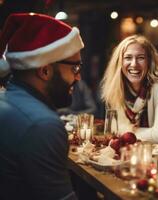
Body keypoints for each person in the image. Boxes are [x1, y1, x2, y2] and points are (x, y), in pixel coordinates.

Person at [0, 13, 84, 199]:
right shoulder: (43, 125)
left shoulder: (5, 100)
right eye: (75, 68)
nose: (78, 77)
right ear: (45, 70)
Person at [100, 35, 158, 147]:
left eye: (141, 58)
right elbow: (112, 130)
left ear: (149, 62)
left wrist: (126, 130)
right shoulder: (117, 88)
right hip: (138, 152)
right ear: (119, 63)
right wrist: (123, 131)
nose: (134, 64)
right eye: (128, 58)